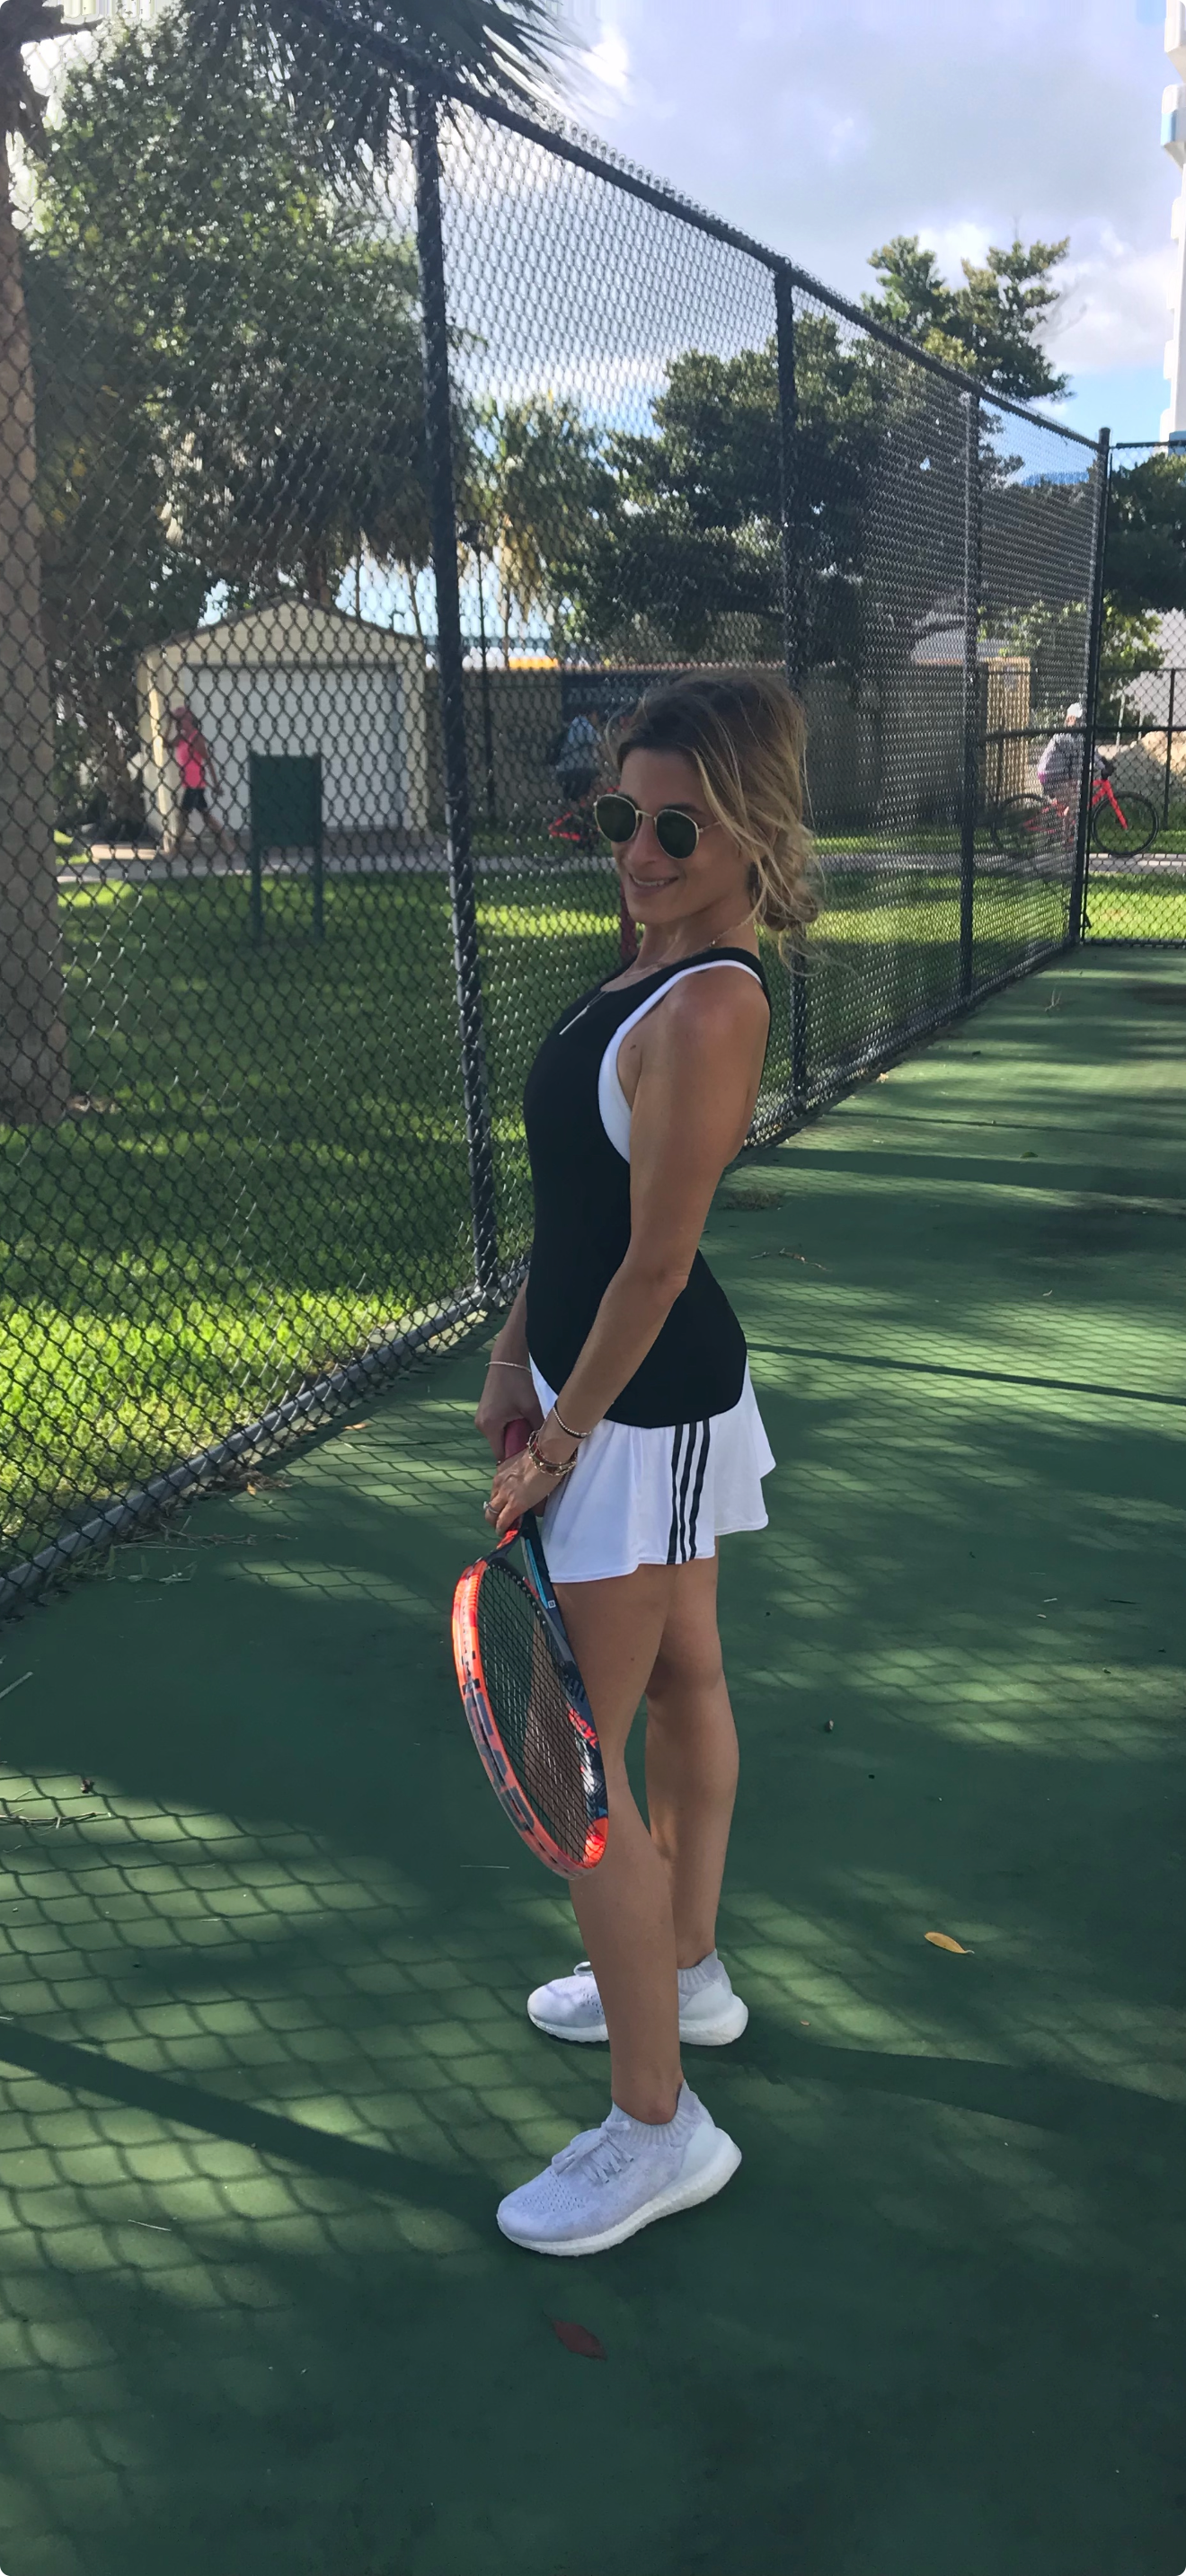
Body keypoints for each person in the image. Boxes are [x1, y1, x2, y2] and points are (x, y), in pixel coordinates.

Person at [475, 669, 819, 2256]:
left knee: (574, 1767)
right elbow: (579, 1213)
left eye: (679, 824)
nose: (642, 849)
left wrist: (559, 1441)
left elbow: (658, 1262)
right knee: (680, 1680)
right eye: (623, 814)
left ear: (750, 828)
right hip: (600, 1387)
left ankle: (655, 2121)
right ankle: (685, 1968)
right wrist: (507, 1354)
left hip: (641, 1407)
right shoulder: (645, 963)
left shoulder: (717, 1003)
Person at [162, 705, 236, 858]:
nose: (179, 724)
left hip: (195, 783)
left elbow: (207, 761)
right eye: (177, 721)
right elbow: (165, 744)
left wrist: (216, 784)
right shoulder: (182, 737)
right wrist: (168, 724)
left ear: (189, 720)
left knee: (183, 815)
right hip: (189, 782)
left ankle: (175, 849)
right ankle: (228, 843)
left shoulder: (196, 737)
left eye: (180, 720)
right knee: (206, 816)